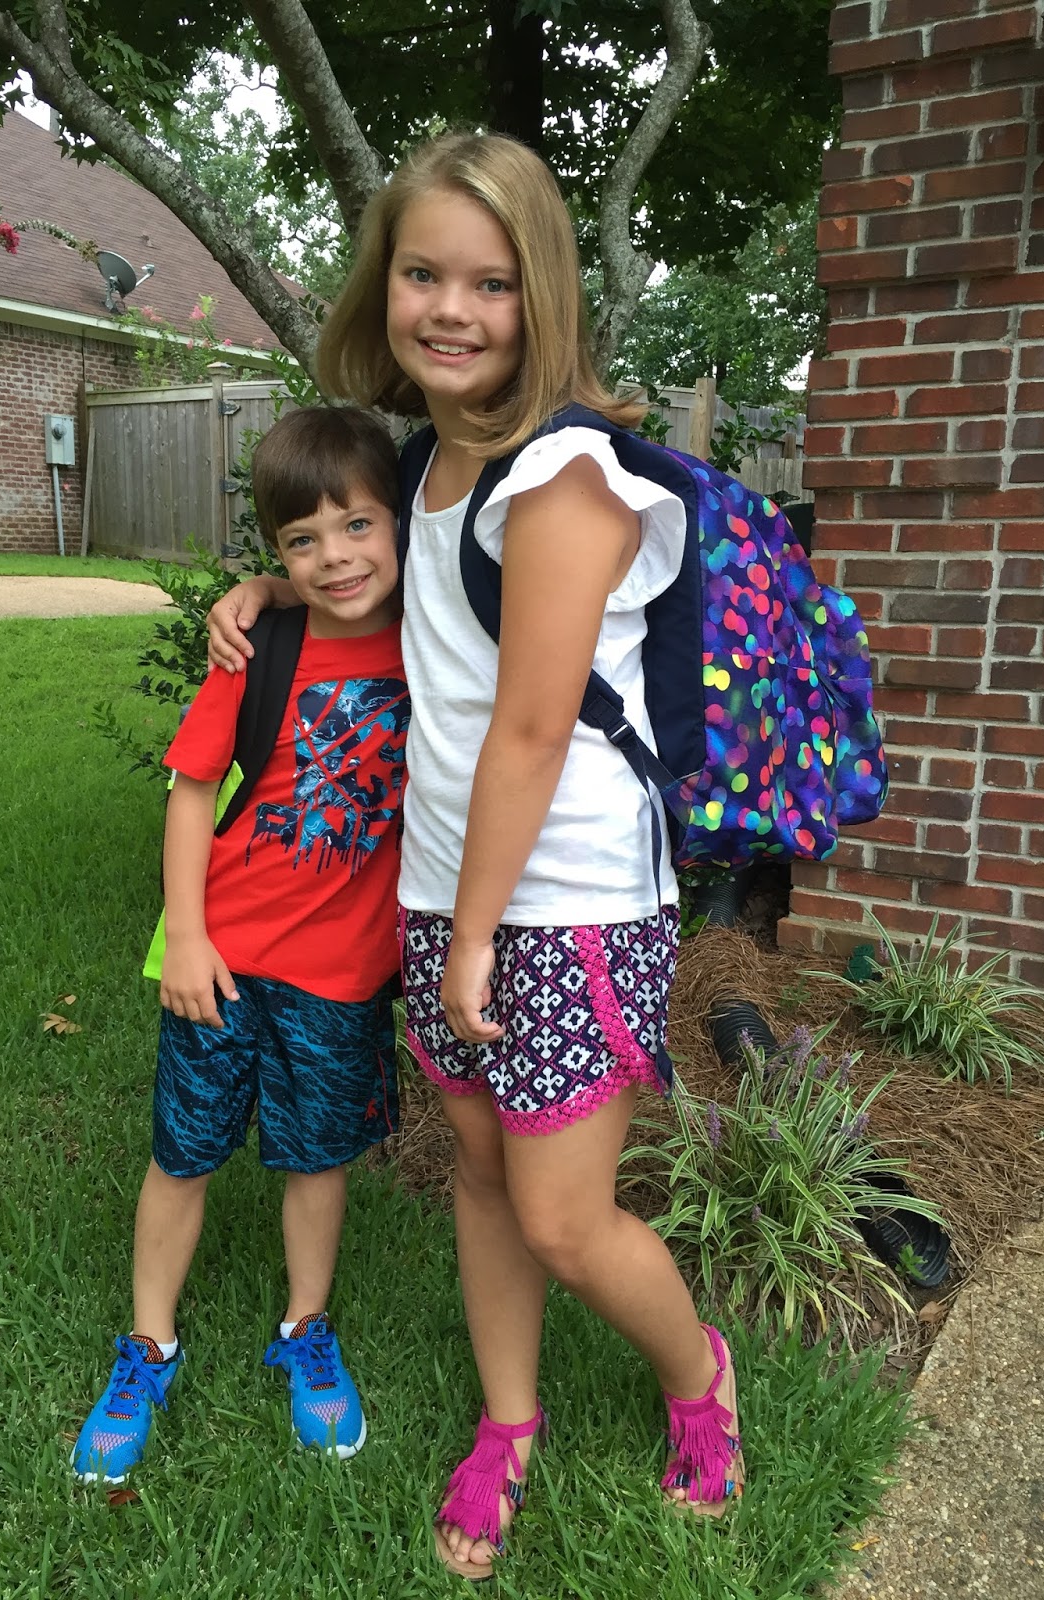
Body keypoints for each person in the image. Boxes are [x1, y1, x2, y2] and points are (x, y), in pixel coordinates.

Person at [207, 133, 745, 1579]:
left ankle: (702, 1376)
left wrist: (467, 939)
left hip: (559, 906)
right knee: (486, 1178)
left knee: (566, 1217)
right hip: (454, 891)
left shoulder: (559, 476)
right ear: (385, 282)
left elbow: (526, 732)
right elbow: (365, 571)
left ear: (541, 296)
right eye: (423, 272)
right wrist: (270, 582)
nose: (450, 307)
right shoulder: (425, 457)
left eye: (491, 282)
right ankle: (511, 1420)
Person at [72, 406, 408, 1484]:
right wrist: (186, 937)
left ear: (399, 525)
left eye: (357, 525)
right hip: (217, 960)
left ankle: (307, 1328)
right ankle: (148, 1344)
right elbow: (187, 793)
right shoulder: (259, 640)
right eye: (301, 542)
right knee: (185, 1150)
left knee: (316, 1158)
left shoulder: (434, 640)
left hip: (342, 971)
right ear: (274, 554)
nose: (334, 556)